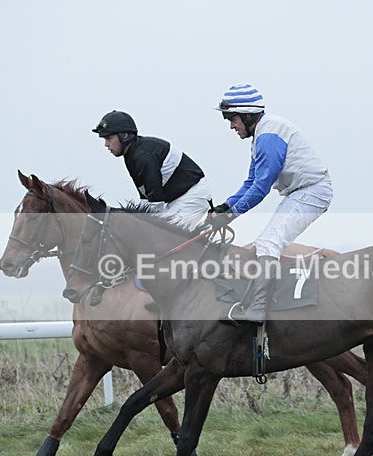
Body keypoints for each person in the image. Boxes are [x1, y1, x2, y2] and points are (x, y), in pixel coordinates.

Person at [208, 83, 333, 326]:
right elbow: (251, 181)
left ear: (247, 115)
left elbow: (261, 187)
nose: (231, 126)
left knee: (267, 243)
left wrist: (232, 214)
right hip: (300, 192)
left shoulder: (269, 136)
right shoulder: (261, 136)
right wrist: (225, 206)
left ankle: (258, 309)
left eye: (232, 119)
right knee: (264, 244)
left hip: (311, 192)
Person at [92, 110, 212, 230]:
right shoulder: (131, 155)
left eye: (108, 138)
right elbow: (146, 198)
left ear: (125, 135)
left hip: (192, 194)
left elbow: (156, 203)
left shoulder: (143, 156)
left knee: (164, 236)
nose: (106, 145)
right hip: (177, 198)